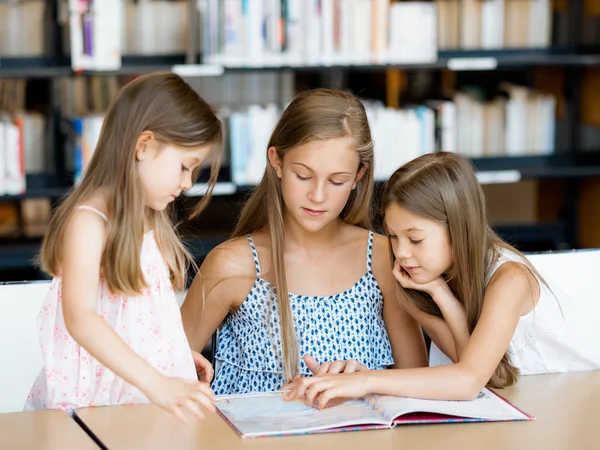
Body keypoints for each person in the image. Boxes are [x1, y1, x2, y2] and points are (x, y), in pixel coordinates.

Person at [285, 151, 600, 408]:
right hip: (514, 406)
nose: (402, 253)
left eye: (416, 239)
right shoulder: (421, 284)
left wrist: (366, 381)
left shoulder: (510, 279)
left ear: (459, 229)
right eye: (394, 237)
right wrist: (441, 295)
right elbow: (479, 371)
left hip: (569, 405)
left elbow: (468, 380)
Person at [181, 88, 428, 395]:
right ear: (277, 162)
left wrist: (368, 380)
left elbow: (419, 382)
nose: (318, 196)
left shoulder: (382, 257)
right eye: (303, 175)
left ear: (358, 177)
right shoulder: (232, 264)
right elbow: (166, 376)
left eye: (337, 181)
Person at [24, 72, 223, 422]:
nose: (188, 183)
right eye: (184, 167)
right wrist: (157, 382)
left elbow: (133, 315)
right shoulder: (88, 222)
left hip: (132, 398)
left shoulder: (146, 220)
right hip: (95, 404)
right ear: (143, 146)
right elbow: (81, 318)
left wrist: (168, 352)